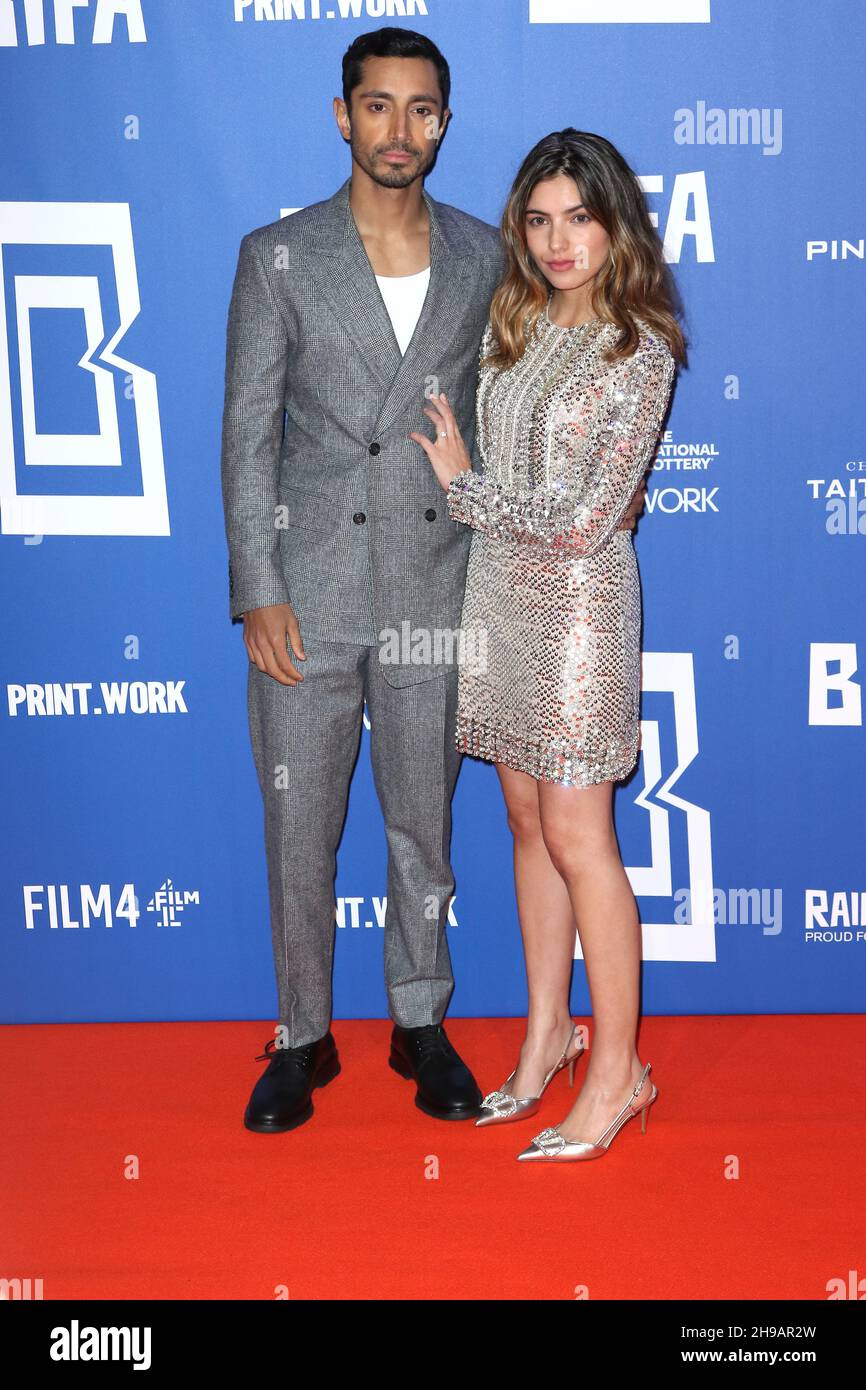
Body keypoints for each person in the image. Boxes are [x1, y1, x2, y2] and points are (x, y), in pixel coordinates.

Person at [220, 29, 646, 1134]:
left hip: (441, 588)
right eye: (378, 105)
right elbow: (246, 433)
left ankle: (420, 1020)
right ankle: (302, 1036)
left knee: (425, 828)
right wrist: (256, 584)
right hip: (307, 591)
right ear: (343, 115)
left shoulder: (485, 256)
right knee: (299, 829)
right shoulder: (276, 256)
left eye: (421, 109)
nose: (398, 129)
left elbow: (546, 405)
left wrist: (614, 489)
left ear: (444, 124)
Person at [412, 129, 685, 1162]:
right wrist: (474, 483)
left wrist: (464, 488)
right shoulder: (515, 323)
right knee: (525, 824)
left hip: (578, 612)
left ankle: (617, 1073)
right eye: (538, 220)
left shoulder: (637, 348)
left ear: (615, 225)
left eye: (578, 217)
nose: (558, 240)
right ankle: (545, 1036)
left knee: (580, 837)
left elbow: (584, 519)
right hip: (498, 598)